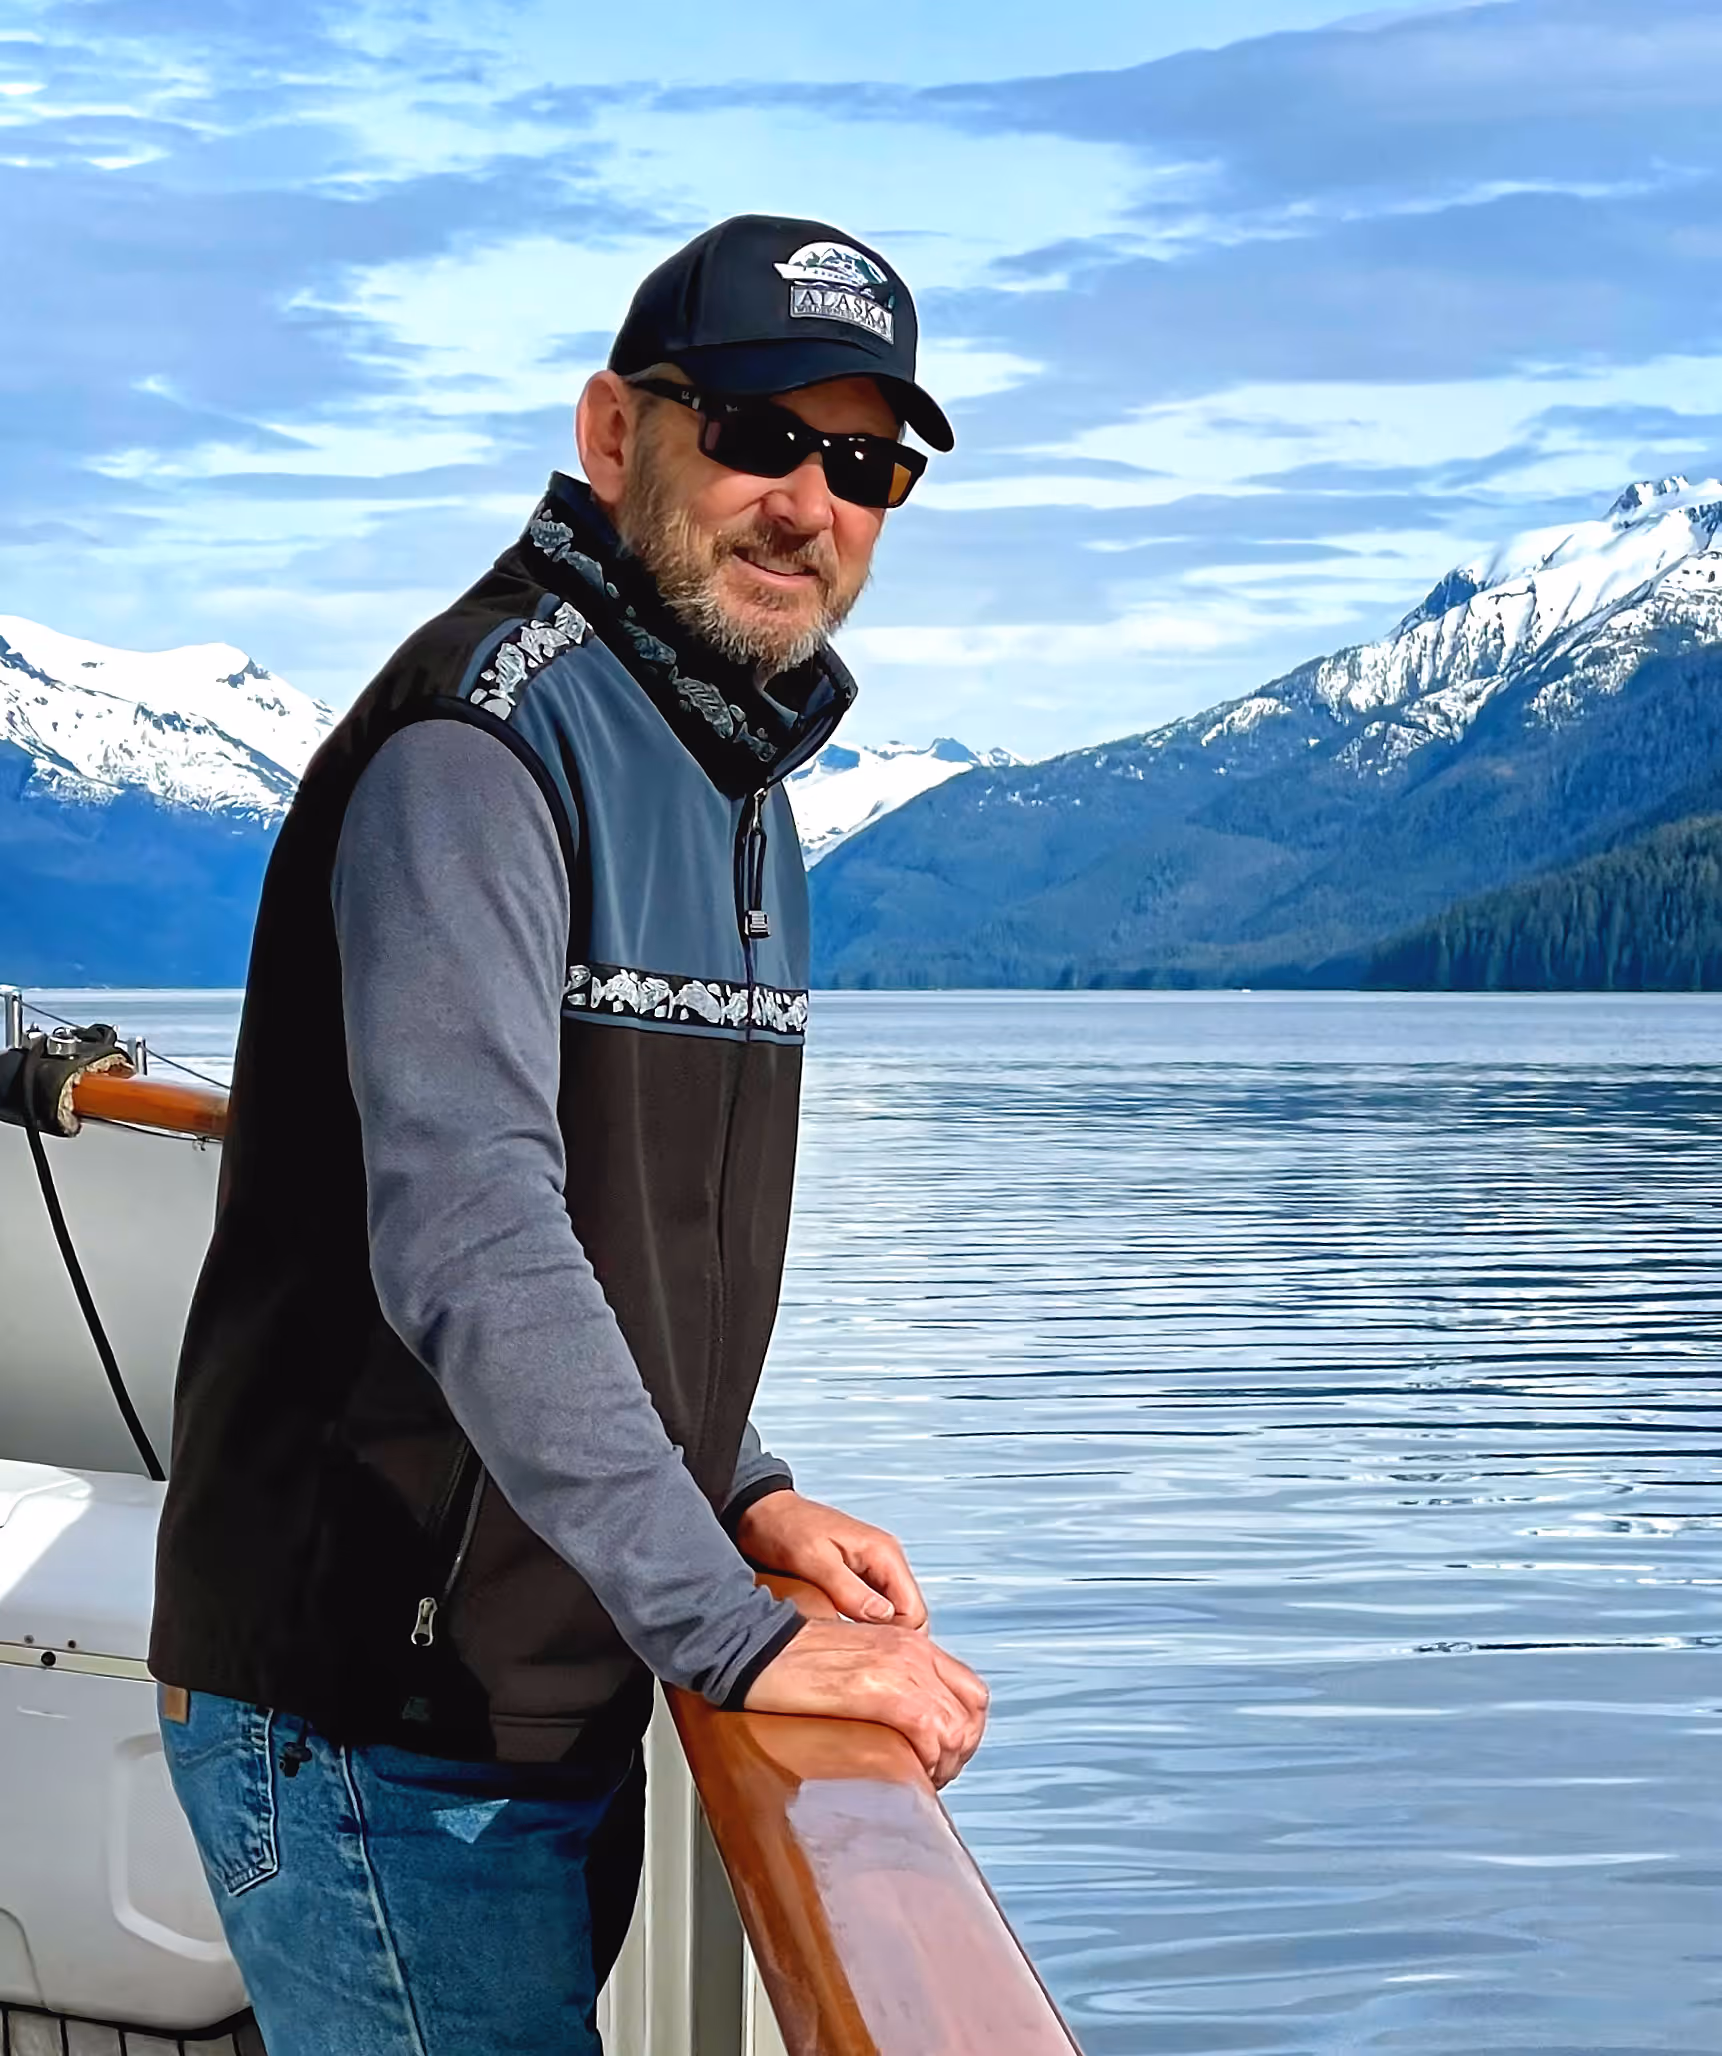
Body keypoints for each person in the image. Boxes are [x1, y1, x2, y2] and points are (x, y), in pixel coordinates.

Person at [148, 214, 989, 2055]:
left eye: (865, 465)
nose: (808, 503)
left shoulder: (728, 773)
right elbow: (470, 1225)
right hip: (380, 1709)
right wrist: (741, 1629)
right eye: (760, 434)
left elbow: (627, 1217)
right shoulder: (485, 741)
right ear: (617, 434)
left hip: (531, 1682)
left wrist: (741, 1485)